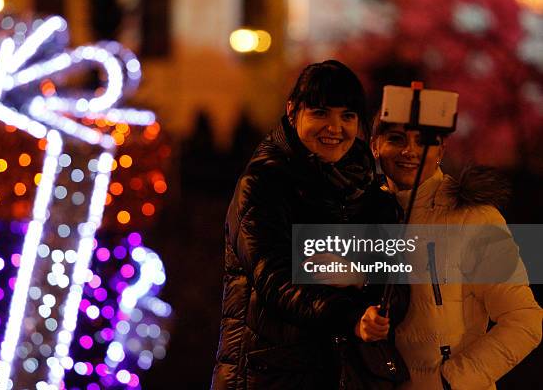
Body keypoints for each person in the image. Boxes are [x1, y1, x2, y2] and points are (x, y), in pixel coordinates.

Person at [211, 60, 408, 390]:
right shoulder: (264, 183)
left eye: (347, 116)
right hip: (269, 374)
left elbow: (394, 280)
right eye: (320, 113)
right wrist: (350, 313)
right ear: (293, 112)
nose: (335, 127)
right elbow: (274, 277)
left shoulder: (368, 190)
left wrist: (373, 304)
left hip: (346, 373)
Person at [371, 118, 543, 389]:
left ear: (441, 150)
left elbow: (524, 319)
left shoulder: (472, 217)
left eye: (425, 142)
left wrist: (451, 381)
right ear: (375, 146)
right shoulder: (357, 215)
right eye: (396, 139)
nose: (410, 151)